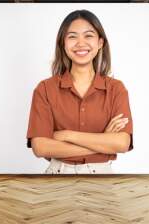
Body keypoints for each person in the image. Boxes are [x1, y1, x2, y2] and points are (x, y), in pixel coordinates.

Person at [26, 9, 133, 174]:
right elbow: (40, 147)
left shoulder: (116, 89)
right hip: (57, 175)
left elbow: (121, 143)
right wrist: (103, 141)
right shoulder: (45, 89)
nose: (80, 43)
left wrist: (66, 135)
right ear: (63, 43)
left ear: (100, 43)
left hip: (102, 177)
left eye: (88, 35)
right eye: (72, 36)